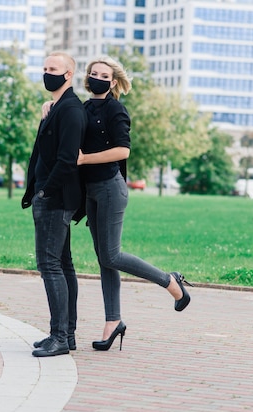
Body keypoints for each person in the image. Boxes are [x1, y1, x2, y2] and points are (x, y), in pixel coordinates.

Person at [43, 56, 193, 352]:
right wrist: (49, 108)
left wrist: (85, 159)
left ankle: (170, 281)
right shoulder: (84, 108)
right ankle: (114, 322)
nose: (95, 77)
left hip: (111, 188)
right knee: (104, 258)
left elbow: (123, 150)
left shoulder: (115, 109)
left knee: (111, 255)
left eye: (103, 75)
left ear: (113, 82)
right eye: (92, 73)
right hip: (90, 192)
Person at [21, 52, 88, 357]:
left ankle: (59, 336)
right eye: (45, 68)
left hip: (55, 200)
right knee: (63, 265)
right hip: (52, 198)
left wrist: (44, 193)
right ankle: (67, 334)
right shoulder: (58, 108)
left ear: (69, 74)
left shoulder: (71, 110)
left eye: (54, 69)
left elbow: (66, 161)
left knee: (50, 266)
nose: (47, 73)